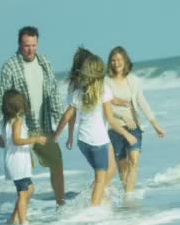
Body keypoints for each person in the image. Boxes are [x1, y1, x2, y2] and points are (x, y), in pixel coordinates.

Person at [0, 26, 66, 206]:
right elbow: (0, 100)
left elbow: (54, 92)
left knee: (56, 162)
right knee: (23, 176)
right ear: (19, 44)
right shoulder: (10, 67)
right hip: (21, 127)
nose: (30, 49)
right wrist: (1, 132)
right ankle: (20, 218)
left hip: (43, 124)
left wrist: (59, 120)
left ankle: (61, 204)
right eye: (27, 45)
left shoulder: (44, 62)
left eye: (34, 45)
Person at [53, 55, 137, 206]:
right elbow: (111, 119)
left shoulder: (79, 93)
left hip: (83, 142)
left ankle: (96, 201)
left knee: (104, 175)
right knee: (101, 178)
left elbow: (66, 117)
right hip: (99, 142)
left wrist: (56, 136)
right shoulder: (103, 91)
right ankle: (93, 209)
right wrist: (126, 134)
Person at [105, 46, 166, 194]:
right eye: (113, 60)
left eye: (119, 59)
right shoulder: (106, 82)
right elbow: (106, 106)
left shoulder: (134, 81)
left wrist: (155, 125)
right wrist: (123, 116)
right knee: (123, 164)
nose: (116, 63)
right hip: (115, 128)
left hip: (134, 127)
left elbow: (142, 102)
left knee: (134, 161)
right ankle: (127, 192)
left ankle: (129, 196)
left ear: (125, 61)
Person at [0, 89, 47, 224]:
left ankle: (13, 218)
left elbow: (1, 143)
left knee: (29, 189)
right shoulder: (18, 121)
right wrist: (35, 139)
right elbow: (17, 140)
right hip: (18, 162)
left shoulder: (3, 122)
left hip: (13, 160)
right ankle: (23, 222)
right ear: (18, 105)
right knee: (23, 193)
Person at [64, 47, 95, 150]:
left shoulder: (74, 85)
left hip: (88, 134)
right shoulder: (75, 86)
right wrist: (70, 136)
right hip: (94, 135)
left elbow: (71, 114)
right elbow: (71, 114)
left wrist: (70, 136)